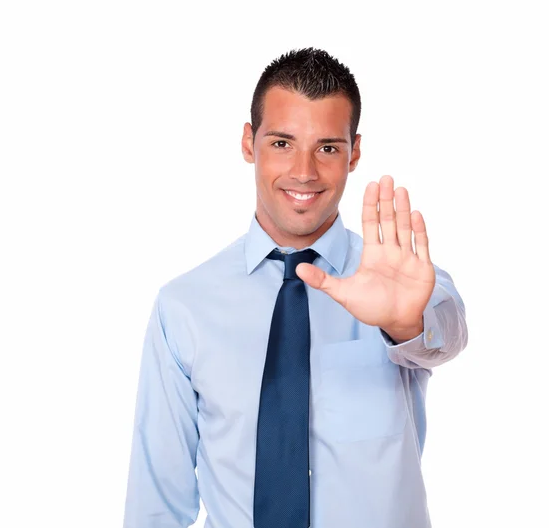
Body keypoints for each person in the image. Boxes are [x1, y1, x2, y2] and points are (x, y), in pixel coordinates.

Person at [122, 47, 468, 528]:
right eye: (282, 143)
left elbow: (446, 331)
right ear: (249, 142)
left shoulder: (395, 280)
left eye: (327, 147)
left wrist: (405, 322)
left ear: (355, 153)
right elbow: (156, 502)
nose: (304, 171)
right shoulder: (184, 307)